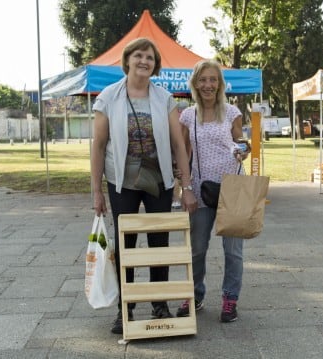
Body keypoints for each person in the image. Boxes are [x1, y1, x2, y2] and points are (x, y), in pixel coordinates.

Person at [90, 37, 197, 335]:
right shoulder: (109, 97)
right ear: (127, 60)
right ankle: (126, 308)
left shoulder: (164, 98)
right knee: (125, 246)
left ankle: (159, 304)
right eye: (139, 56)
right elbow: (98, 146)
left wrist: (186, 186)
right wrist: (96, 191)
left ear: (155, 65)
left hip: (159, 181)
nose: (144, 61)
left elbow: (178, 144)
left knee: (159, 243)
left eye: (150, 58)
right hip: (121, 181)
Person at [176, 59, 250, 323]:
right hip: (199, 188)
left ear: (220, 84)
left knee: (233, 251)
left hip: (232, 188)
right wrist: (183, 187)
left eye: (213, 79)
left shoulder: (232, 112)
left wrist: (243, 149)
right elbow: (184, 153)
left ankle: (230, 299)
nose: (208, 85)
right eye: (203, 80)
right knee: (197, 248)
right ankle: (194, 294)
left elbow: (240, 142)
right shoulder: (187, 115)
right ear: (195, 84)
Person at [171, 100, 190, 209]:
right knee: (182, 175)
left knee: (177, 176)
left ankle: (176, 199)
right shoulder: (187, 118)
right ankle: (182, 198)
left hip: (175, 152)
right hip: (183, 153)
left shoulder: (174, 117)